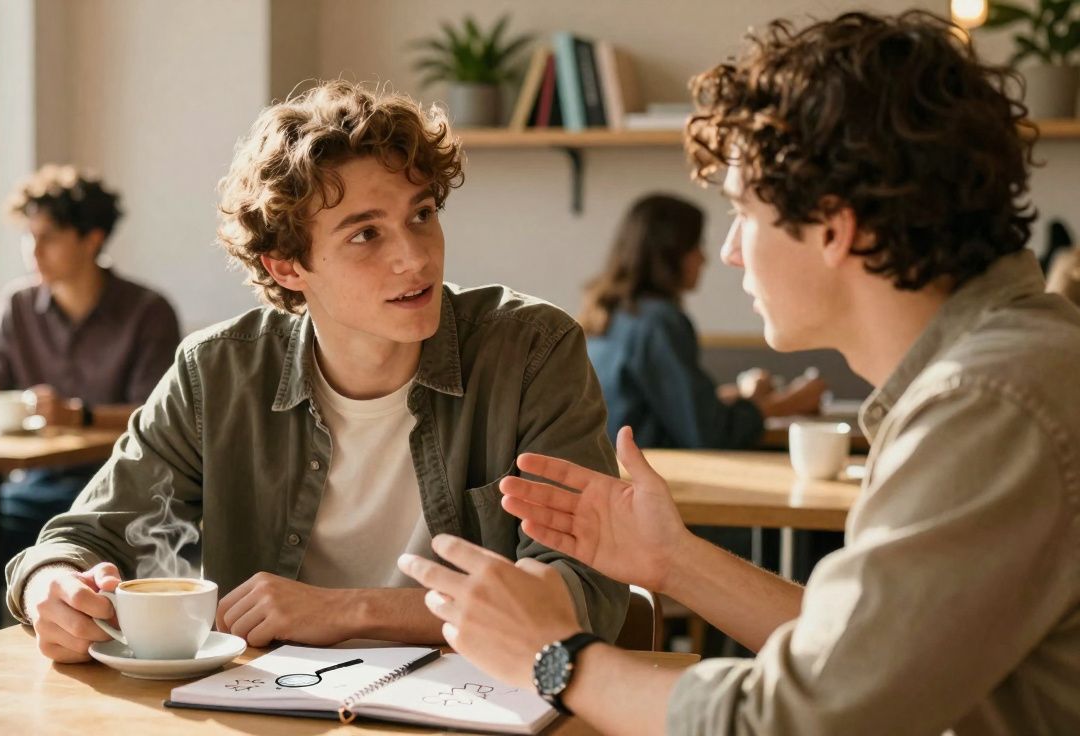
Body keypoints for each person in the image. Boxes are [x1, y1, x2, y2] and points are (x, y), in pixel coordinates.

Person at [400, 11, 1080, 735]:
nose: (728, 252)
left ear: (832, 224)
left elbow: (797, 720)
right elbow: (859, 663)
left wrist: (553, 658)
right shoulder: (1009, 367)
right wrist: (673, 562)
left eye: (742, 211)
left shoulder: (987, 405)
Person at [7, 81, 628, 664]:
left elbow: (581, 592)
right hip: (268, 707)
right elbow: (82, 537)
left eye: (421, 214)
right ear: (286, 267)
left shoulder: (530, 351)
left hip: (474, 704)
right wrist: (52, 588)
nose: (415, 257)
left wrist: (350, 610)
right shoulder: (217, 373)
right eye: (365, 235)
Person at [0, 165, 182, 559]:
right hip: (33, 485)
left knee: (81, 559)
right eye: (29, 236)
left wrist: (80, 416)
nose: (34, 250)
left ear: (92, 239)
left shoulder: (147, 311)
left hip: (120, 488)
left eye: (49, 237)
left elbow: (159, 416)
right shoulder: (17, 305)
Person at [582, 193, 825, 449]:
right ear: (671, 252)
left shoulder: (611, 313)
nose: (704, 258)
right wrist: (791, 402)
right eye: (696, 245)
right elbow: (709, 434)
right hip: (654, 474)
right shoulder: (658, 323)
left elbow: (666, 406)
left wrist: (744, 398)